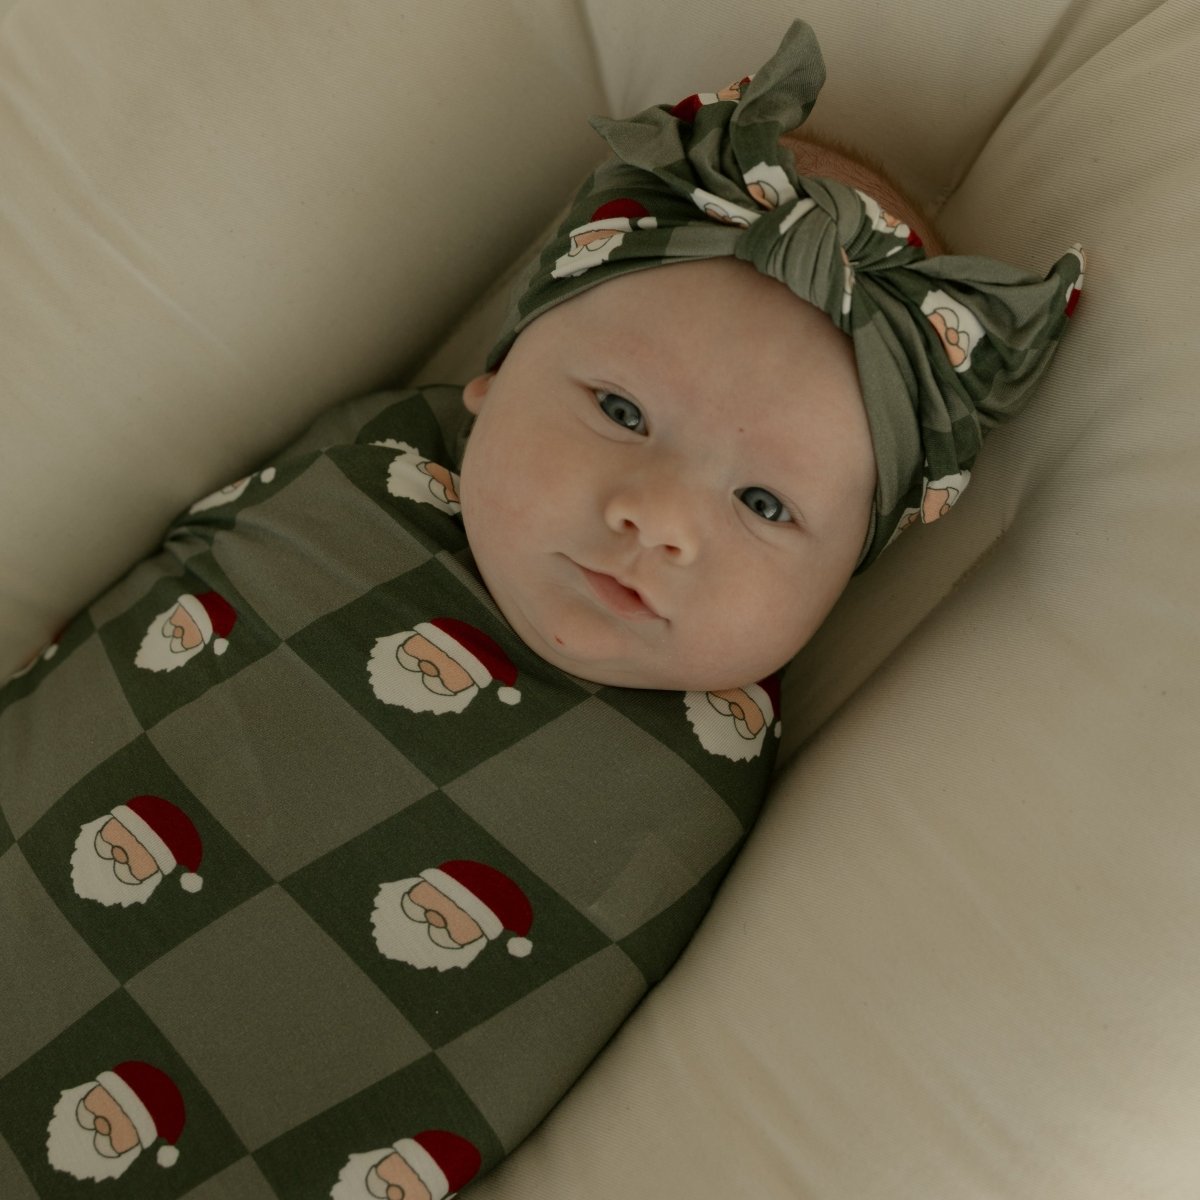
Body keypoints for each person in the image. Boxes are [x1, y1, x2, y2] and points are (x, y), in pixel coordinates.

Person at [0, 20, 1083, 1198]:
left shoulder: (721, 785)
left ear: (842, 583)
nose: (661, 517)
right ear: (499, 371)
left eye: (766, 503)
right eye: (620, 411)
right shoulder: (362, 476)